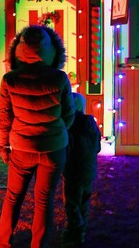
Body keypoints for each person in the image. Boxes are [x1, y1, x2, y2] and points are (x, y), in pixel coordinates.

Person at [0, 25, 76, 248]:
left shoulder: (10, 79)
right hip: (53, 150)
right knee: (44, 201)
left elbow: (3, 118)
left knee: (13, 196)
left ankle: (1, 242)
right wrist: (56, 132)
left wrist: (2, 146)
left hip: (22, 149)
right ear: (50, 49)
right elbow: (69, 113)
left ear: (19, 50)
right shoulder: (59, 78)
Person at [62, 93, 101, 246]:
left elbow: (68, 149)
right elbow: (97, 147)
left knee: (71, 203)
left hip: (73, 170)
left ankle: (75, 232)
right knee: (84, 201)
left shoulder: (70, 125)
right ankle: (81, 232)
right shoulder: (91, 124)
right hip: (89, 169)